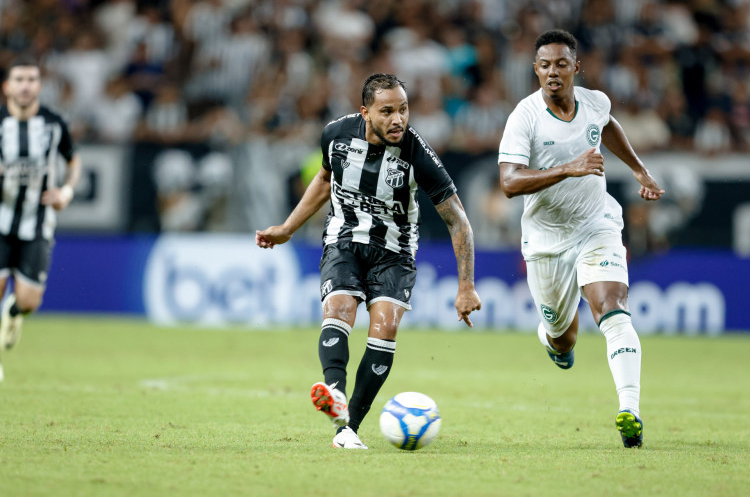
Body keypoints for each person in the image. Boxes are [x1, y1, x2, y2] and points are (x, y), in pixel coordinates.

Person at [256, 73, 481, 449]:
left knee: (384, 329)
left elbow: (458, 219)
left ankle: (349, 428)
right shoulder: (336, 135)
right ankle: (336, 399)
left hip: (394, 252)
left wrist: (466, 285)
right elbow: (325, 180)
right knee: (339, 308)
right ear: (365, 113)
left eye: (404, 110)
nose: (399, 120)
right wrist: (288, 228)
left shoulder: (417, 154)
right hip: (343, 240)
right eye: (388, 111)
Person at [498, 30, 665, 448]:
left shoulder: (595, 101)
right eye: (544, 65)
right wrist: (567, 168)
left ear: (576, 67)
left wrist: (639, 170)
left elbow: (607, 127)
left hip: (596, 224)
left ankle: (630, 410)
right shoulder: (525, 117)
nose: (552, 72)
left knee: (612, 307)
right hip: (546, 238)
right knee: (563, 335)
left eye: (560, 64)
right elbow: (508, 182)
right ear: (535, 70)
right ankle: (552, 339)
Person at [0, 57, 81, 381]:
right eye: (19, 79)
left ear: (39, 86)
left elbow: (73, 160)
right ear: (6, 86)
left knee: (29, 301)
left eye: (32, 79)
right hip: (0, 223)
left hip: (38, 225)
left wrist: (66, 192)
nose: (25, 85)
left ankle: (15, 312)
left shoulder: (53, 123)